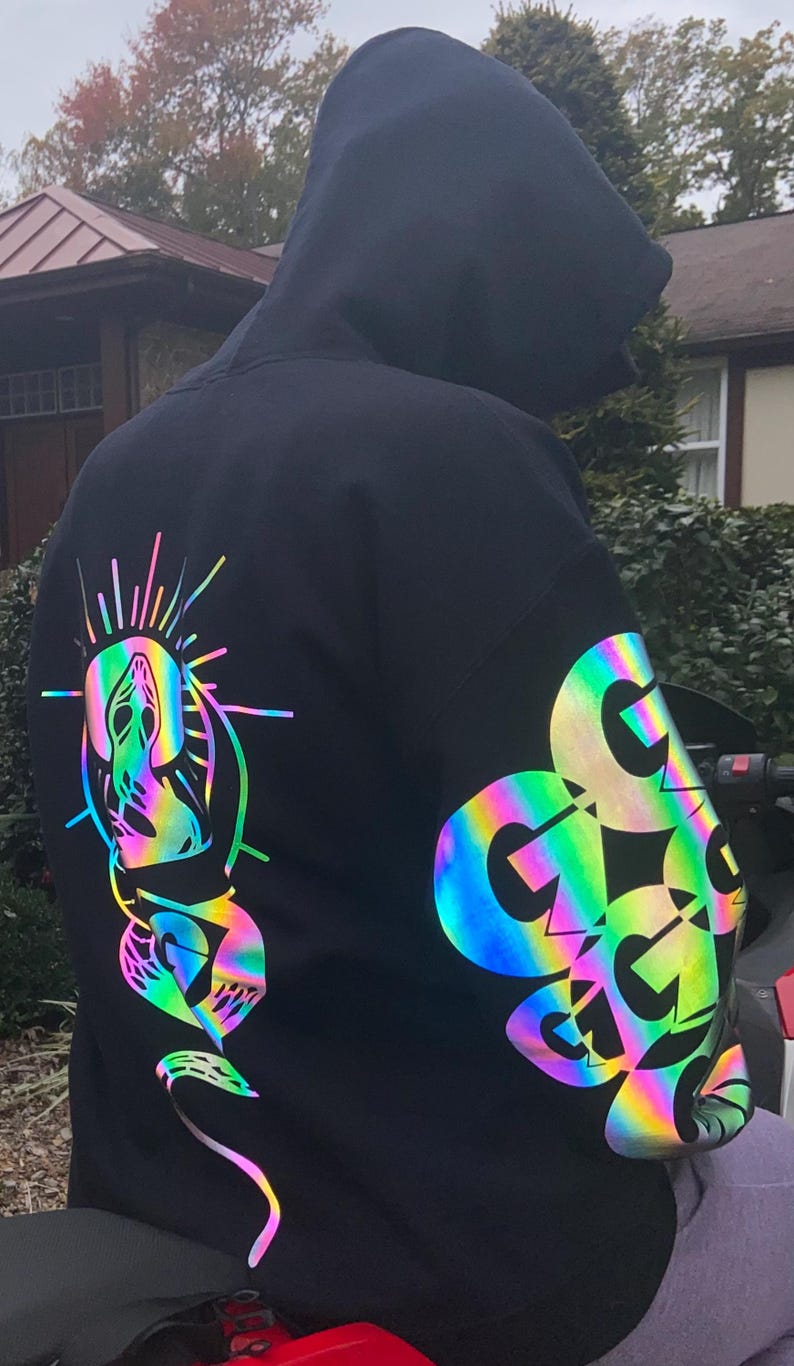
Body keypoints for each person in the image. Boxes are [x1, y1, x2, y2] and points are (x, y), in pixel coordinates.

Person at [26, 27, 794, 1366]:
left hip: (182, 1240)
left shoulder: (111, 481)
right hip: (471, 1269)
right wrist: (713, 1082)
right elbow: (642, 993)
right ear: (493, 273)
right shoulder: (456, 458)